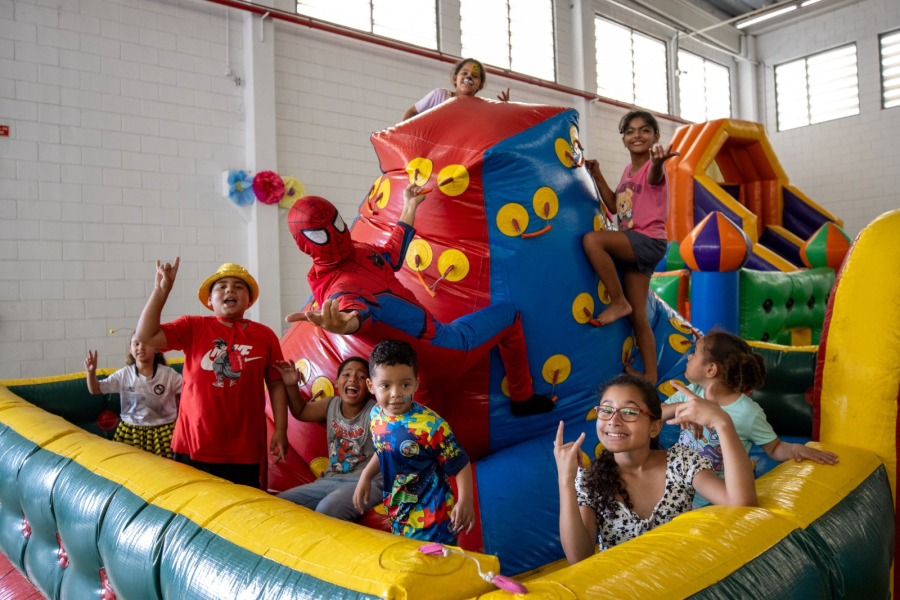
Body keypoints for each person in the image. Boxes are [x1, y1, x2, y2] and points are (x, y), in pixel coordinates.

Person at [285, 183, 554, 416]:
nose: (336, 234)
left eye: (336, 224)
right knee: (510, 316)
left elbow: (391, 257)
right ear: (305, 244)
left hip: (415, 373)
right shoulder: (339, 286)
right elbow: (354, 310)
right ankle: (522, 399)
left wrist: (409, 205)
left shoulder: (358, 251)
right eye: (321, 235)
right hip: (443, 348)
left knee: (425, 442)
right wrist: (344, 325)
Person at [555, 374, 757, 562]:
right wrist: (565, 480)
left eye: (630, 412)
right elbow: (579, 558)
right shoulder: (591, 480)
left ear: (654, 427)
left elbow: (741, 504)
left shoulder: (680, 462)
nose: (613, 421)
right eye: (606, 410)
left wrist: (722, 422)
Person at [135, 260, 289, 488]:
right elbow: (146, 335)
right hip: (194, 444)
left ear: (249, 300)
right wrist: (161, 290)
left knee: (243, 507)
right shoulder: (192, 326)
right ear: (209, 300)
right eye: (222, 286)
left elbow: (276, 384)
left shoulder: (265, 335)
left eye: (238, 286)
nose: (230, 290)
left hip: (245, 447)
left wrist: (281, 429)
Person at [662, 330, 838, 506]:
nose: (689, 356)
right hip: (677, 492)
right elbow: (657, 415)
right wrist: (681, 407)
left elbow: (774, 448)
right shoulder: (690, 393)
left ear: (711, 369)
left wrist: (795, 450)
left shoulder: (747, 412)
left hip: (715, 501)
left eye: (694, 352)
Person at [582, 110, 679, 385]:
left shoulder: (652, 168)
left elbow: (654, 176)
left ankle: (618, 301)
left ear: (655, 137)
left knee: (592, 240)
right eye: (630, 131)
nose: (637, 135)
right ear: (623, 139)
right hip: (636, 244)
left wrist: (658, 163)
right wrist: (597, 175)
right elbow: (615, 206)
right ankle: (650, 376)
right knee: (639, 316)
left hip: (646, 241)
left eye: (644, 130)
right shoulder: (628, 171)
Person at [352, 340, 474, 544]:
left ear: (416, 384)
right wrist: (365, 476)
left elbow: (460, 463)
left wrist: (466, 501)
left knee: (432, 563)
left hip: (433, 520)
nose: (396, 393)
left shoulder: (431, 426)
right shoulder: (376, 415)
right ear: (371, 386)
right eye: (386, 386)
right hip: (399, 514)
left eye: (405, 385)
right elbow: (383, 449)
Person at [274, 356, 384, 521]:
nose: (353, 379)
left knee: (328, 509)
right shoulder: (331, 405)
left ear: (369, 386)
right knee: (276, 504)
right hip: (328, 481)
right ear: (337, 382)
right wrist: (291, 386)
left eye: (361, 376)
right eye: (346, 374)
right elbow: (301, 411)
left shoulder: (376, 412)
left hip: (366, 482)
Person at [84, 335, 182, 458]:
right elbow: (95, 389)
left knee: (165, 465)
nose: (140, 347)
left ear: (157, 349)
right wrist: (91, 372)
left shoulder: (168, 374)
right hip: (131, 431)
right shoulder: (124, 374)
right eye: (136, 344)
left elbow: (189, 390)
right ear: (130, 349)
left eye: (145, 343)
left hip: (163, 431)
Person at [401, 57, 510, 121]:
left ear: (480, 85)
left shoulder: (480, 109)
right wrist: (400, 133)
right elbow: (412, 111)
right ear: (455, 78)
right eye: (464, 73)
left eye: (475, 76)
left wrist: (504, 111)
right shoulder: (440, 96)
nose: (469, 77)